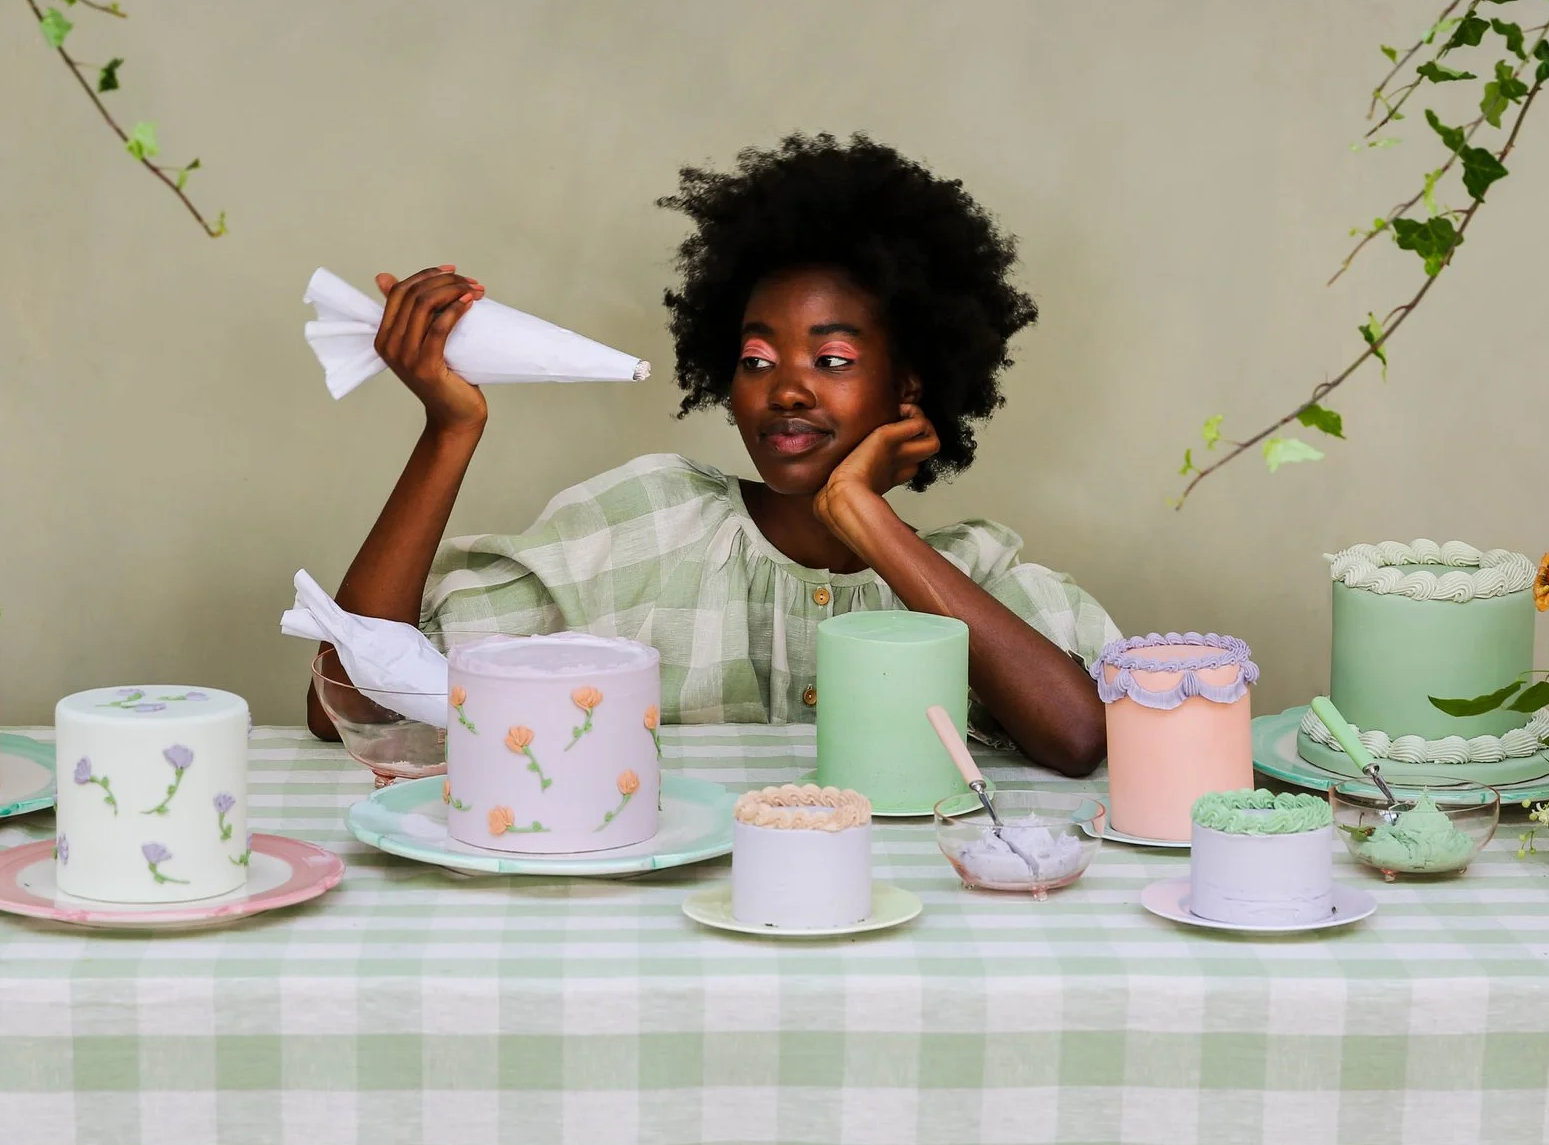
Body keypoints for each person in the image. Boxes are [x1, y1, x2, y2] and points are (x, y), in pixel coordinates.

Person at [315, 133, 1117, 775]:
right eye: (758, 360)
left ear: (910, 388)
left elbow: (1079, 736)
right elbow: (351, 701)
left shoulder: (970, 574)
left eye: (831, 360)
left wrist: (868, 523)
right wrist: (447, 430)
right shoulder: (647, 523)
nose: (788, 389)